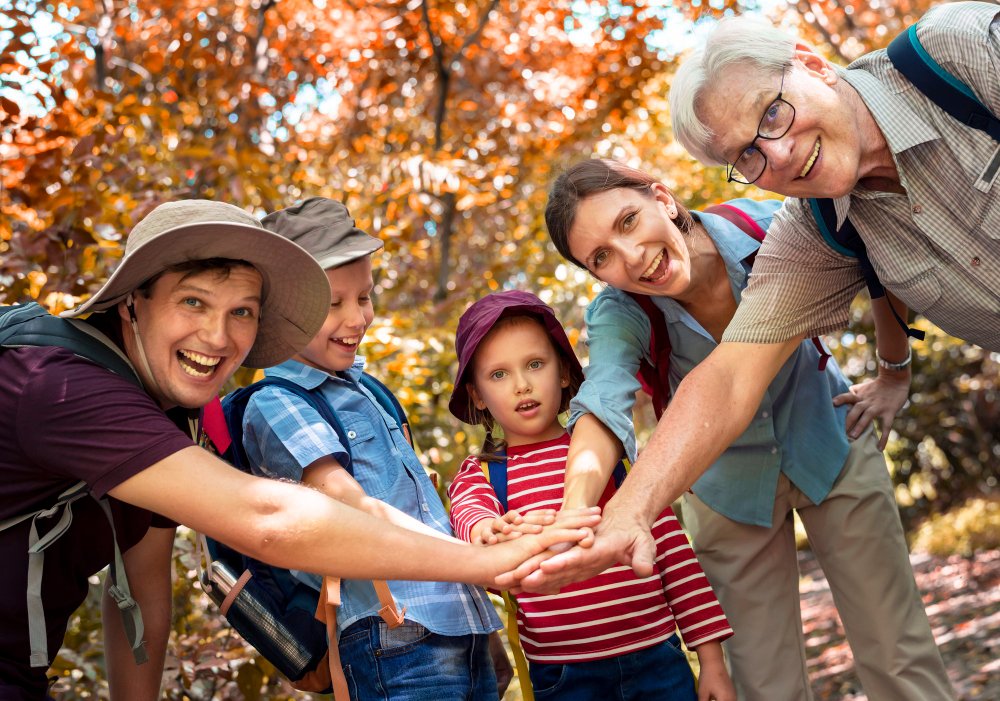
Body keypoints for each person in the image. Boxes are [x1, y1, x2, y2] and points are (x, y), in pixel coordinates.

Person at [515, 0, 998, 631]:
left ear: (810, 64)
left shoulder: (960, 54)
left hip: (829, 458)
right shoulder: (815, 232)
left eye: (772, 112)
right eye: (746, 155)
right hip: (734, 495)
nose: (778, 152)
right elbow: (727, 379)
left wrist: (895, 372)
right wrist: (623, 514)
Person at [0, 200, 598, 701]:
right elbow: (267, 518)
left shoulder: (169, 423)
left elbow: (140, 594)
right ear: (133, 300)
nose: (217, 336)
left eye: (242, 313)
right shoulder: (57, 384)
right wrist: (492, 565)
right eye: (193, 302)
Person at [528, 159, 954, 700]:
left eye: (628, 221)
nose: (631, 258)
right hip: (726, 491)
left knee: (898, 654)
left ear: (662, 197)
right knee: (764, 684)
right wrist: (576, 511)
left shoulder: (772, 228)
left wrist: (895, 373)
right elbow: (604, 394)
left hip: (829, 442)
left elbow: (871, 263)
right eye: (601, 257)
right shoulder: (620, 311)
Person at [241, 197, 504, 701]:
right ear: (280, 313)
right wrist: (478, 563)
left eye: (364, 296)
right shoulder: (277, 402)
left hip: (457, 621)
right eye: (333, 303)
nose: (357, 317)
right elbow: (349, 507)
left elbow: (422, 512)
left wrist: (477, 617)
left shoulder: (368, 391)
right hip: (392, 633)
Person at [447, 289, 735, 701]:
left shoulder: (607, 455)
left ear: (564, 372)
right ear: (476, 394)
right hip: (564, 674)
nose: (522, 385)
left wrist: (711, 662)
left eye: (534, 364)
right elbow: (470, 518)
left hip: (655, 657)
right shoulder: (484, 474)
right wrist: (487, 530)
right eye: (498, 374)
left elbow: (674, 556)